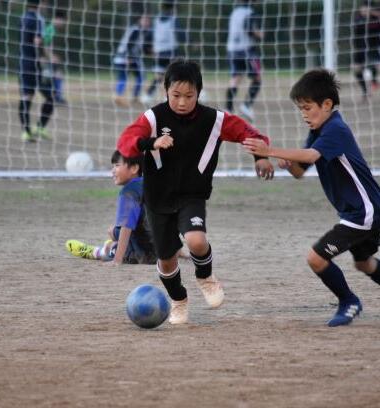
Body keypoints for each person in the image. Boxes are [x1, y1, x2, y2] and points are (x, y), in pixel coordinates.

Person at [117, 60, 274, 324]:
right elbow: (126, 143)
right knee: (167, 261)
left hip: (192, 194)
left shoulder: (214, 120)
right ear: (166, 91)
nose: (181, 102)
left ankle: (206, 277)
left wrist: (260, 156)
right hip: (157, 199)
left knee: (197, 241)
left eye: (189, 96)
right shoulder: (153, 118)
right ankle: (179, 300)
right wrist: (152, 142)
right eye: (176, 95)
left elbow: (248, 133)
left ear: (198, 93)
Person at [244, 69, 380, 327]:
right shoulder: (318, 130)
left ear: (327, 104)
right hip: (360, 212)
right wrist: (287, 164)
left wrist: (269, 150)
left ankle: (349, 301)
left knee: (316, 258)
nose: (304, 114)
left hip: (364, 212)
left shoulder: (336, 129)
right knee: (364, 263)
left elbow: (310, 156)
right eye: (301, 109)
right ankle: (350, 299)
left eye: (308, 108)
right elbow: (299, 171)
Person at [66, 150, 157, 265]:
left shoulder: (128, 192)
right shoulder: (152, 184)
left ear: (134, 168)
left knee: (114, 239)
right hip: (165, 252)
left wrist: (117, 260)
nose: (112, 171)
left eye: (117, 165)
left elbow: (127, 226)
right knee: (114, 231)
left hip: (145, 256)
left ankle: (98, 251)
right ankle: (113, 244)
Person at [18, 0, 54, 142]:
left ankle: (27, 132)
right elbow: (37, 42)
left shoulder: (22, 18)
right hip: (34, 64)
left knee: (27, 96)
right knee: (50, 97)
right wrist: (45, 57)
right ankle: (40, 127)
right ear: (40, 4)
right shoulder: (39, 19)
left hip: (22, 63)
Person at [140, 1, 185, 104]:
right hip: (171, 52)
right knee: (176, 74)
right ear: (173, 8)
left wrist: (146, 49)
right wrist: (191, 42)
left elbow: (148, 36)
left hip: (159, 53)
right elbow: (181, 33)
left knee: (159, 76)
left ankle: (148, 95)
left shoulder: (157, 21)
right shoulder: (173, 19)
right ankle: (168, 97)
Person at [225, 0, 263, 122]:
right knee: (257, 78)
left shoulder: (234, 12)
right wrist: (259, 35)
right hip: (247, 50)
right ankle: (246, 105)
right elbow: (248, 28)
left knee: (235, 78)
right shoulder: (250, 12)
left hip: (232, 50)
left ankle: (228, 109)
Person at [113, 14, 151, 108]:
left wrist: (150, 52)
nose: (147, 22)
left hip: (126, 58)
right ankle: (121, 97)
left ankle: (131, 96)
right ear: (140, 20)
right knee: (128, 77)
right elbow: (129, 43)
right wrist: (129, 57)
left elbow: (142, 47)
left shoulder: (141, 32)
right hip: (126, 58)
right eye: (144, 20)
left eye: (148, 20)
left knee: (138, 77)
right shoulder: (136, 30)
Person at [353, 0, 380, 101]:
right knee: (357, 69)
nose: (364, 10)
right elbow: (357, 27)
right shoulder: (358, 18)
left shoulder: (376, 18)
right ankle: (365, 92)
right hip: (360, 48)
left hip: (374, 47)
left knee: (377, 66)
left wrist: (373, 13)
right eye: (363, 9)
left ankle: (374, 80)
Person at [42, 9, 67, 105]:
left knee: (58, 75)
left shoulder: (53, 29)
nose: (63, 24)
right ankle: (55, 98)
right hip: (47, 59)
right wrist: (51, 56)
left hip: (50, 59)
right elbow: (45, 45)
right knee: (53, 77)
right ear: (57, 19)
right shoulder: (50, 29)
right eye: (63, 21)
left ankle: (56, 98)